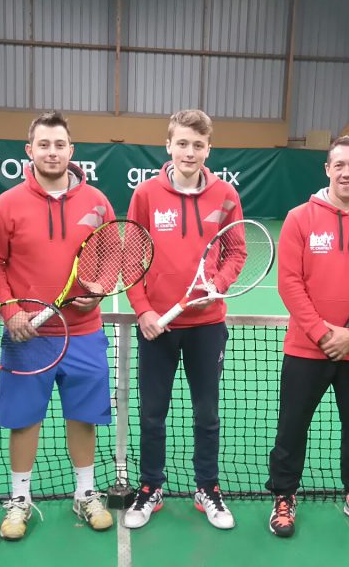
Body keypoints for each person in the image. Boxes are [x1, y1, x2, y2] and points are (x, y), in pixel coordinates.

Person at [0, 111, 116, 541]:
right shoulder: (4, 206)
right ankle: (19, 499)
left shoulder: (97, 203)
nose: (52, 152)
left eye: (60, 145)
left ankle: (85, 493)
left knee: (83, 417)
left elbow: (113, 254)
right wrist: (10, 312)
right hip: (29, 336)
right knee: (25, 420)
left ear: (71, 150)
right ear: (30, 150)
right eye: (44, 145)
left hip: (84, 333)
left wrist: (99, 287)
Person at [265, 136, 349, 539]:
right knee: (291, 428)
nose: (346, 172)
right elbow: (289, 283)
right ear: (327, 169)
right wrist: (322, 333)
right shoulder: (299, 218)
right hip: (307, 348)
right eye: (339, 164)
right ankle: (284, 496)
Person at [123, 109, 243, 530]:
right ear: (168, 145)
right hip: (158, 327)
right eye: (182, 143)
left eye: (198, 145)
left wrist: (219, 284)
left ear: (208, 149)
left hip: (207, 327)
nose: (189, 152)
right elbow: (129, 256)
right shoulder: (146, 195)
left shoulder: (226, 195)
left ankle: (207, 487)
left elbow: (237, 251)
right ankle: (150, 486)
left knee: (207, 413)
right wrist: (143, 310)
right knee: (152, 414)